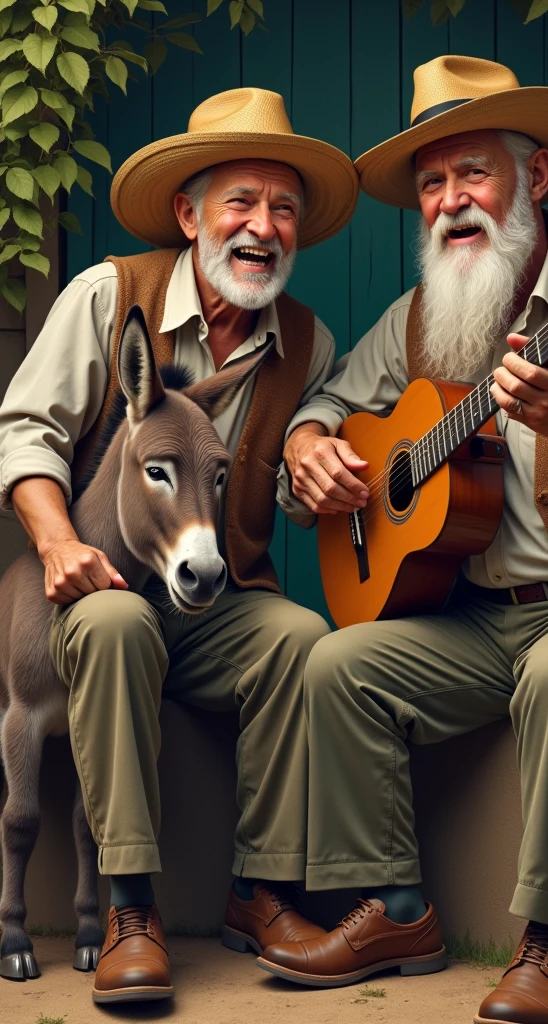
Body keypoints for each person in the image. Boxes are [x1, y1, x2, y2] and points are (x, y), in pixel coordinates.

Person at [271, 55, 548, 1024]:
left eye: (472, 174)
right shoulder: (420, 315)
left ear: (533, 177)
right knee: (337, 663)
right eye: (430, 182)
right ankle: (398, 910)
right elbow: (331, 402)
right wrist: (307, 444)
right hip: (475, 622)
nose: (449, 201)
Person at [0, 87, 358, 1005]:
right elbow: (26, 432)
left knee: (298, 639)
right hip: (97, 586)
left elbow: (311, 441)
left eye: (283, 208)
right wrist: (55, 544)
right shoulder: (108, 295)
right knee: (116, 621)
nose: (263, 226)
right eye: (240, 202)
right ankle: (125, 906)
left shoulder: (307, 344)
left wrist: (317, 455)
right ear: (189, 213)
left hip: (212, 597)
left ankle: (261, 891)